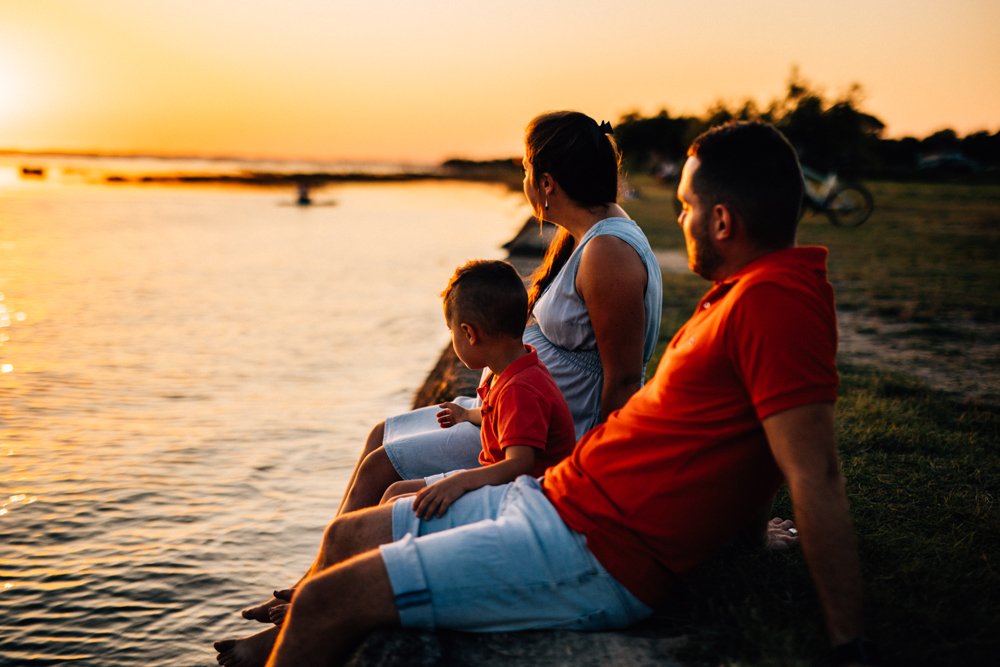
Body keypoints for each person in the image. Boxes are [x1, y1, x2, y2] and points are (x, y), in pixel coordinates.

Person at [215, 120, 872, 667]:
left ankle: (294, 635)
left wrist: (847, 644)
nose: (680, 218)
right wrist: (753, 532)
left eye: (687, 205)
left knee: (335, 599)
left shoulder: (776, 305)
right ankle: (277, 641)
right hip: (553, 503)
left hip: (591, 548)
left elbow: (815, 471)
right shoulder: (740, 298)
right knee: (347, 537)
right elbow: (755, 443)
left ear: (723, 219)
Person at [323, 114, 661, 515]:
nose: (523, 183)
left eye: (525, 171)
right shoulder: (585, 235)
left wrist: (591, 477)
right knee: (380, 436)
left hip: (536, 429)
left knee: (381, 469)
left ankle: (325, 575)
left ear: (547, 183)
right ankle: (321, 571)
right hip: (508, 405)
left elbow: (622, 379)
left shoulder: (609, 253)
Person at [379, 258, 576, 515]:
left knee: (397, 508)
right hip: (504, 485)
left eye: (452, 332)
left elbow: (520, 464)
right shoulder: (511, 370)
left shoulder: (520, 388)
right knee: (395, 492)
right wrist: (465, 415)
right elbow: (498, 417)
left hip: (526, 499)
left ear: (469, 334)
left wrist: (458, 482)